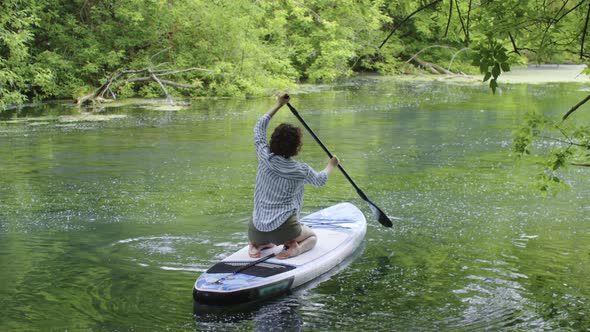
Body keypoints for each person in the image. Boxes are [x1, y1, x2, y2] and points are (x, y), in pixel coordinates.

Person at [248, 93, 339, 259]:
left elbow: (259, 127)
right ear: (296, 147)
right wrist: (330, 165)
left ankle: (254, 245)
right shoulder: (300, 170)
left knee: (265, 235)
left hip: (255, 230)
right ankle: (295, 249)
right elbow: (320, 180)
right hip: (285, 229)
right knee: (312, 237)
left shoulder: (263, 155)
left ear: (273, 140)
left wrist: (278, 105)